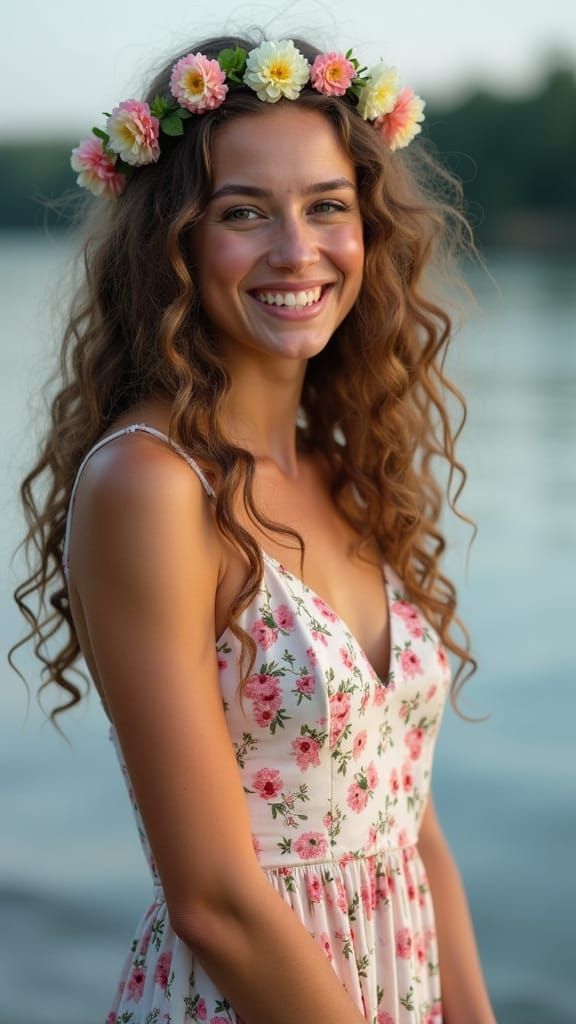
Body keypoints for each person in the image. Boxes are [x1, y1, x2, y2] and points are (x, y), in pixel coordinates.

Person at [9, 31, 497, 1024]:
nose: (296, 249)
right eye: (244, 213)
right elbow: (216, 902)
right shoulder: (150, 486)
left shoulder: (344, 468)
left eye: (328, 206)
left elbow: (412, 816)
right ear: (175, 240)